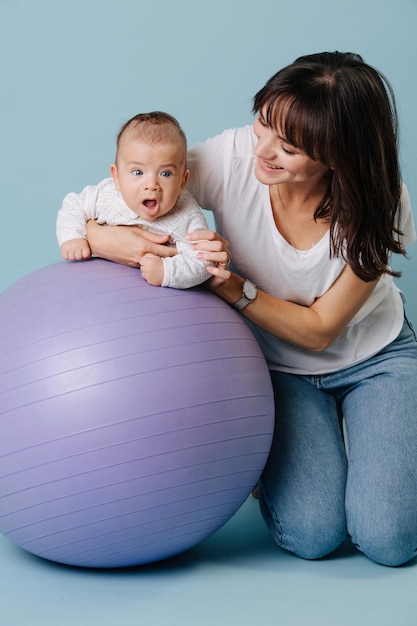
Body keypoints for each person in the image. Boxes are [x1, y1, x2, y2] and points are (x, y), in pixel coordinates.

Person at [85, 52, 417, 567]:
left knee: (388, 540)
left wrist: (229, 285)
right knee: (313, 536)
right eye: (262, 121)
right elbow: (124, 193)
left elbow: (320, 331)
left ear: (339, 156)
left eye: (287, 146)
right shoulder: (232, 158)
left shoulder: (380, 200)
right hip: (278, 369)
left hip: (376, 357)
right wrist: (100, 237)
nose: (262, 150)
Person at [56, 111, 210, 289]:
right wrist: (72, 237)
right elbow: (73, 205)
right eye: (138, 172)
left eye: (165, 174)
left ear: (182, 182)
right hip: (99, 287)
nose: (151, 185)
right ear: (117, 177)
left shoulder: (188, 217)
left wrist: (167, 271)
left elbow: (204, 261)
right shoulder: (106, 195)